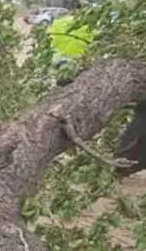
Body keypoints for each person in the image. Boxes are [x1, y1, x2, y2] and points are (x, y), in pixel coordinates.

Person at [48, 13, 146, 177]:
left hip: (67, 65)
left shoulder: (60, 23)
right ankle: (121, 164)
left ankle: (122, 165)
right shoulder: (88, 25)